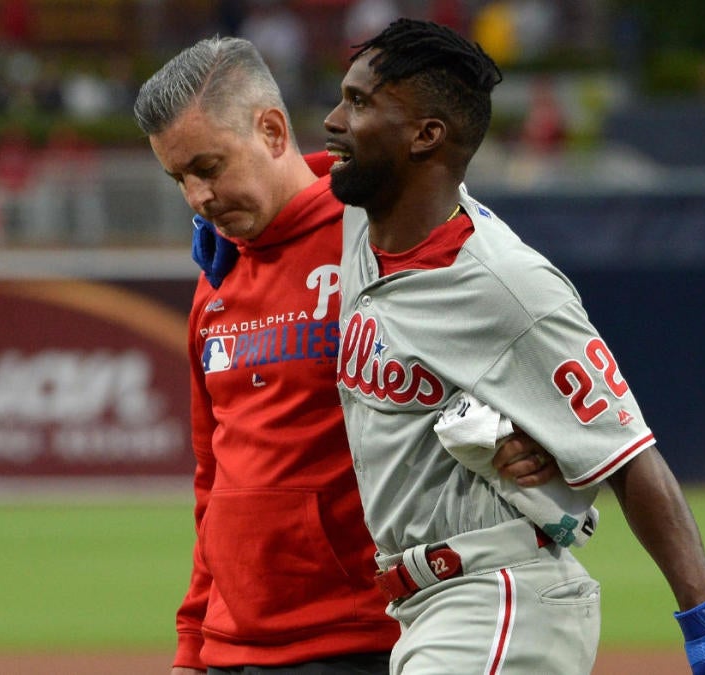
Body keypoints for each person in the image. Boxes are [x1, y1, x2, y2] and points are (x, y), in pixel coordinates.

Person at [322, 18, 705, 675]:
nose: (333, 120)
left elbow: (628, 450)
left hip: (500, 599)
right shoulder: (361, 217)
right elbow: (287, 175)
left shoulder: (509, 284)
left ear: (425, 134)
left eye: (358, 102)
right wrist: (237, 223)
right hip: (427, 608)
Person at [133, 36, 559, 675]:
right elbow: (212, 478)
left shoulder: (383, 229)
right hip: (233, 645)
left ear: (272, 130)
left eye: (208, 167)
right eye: (180, 179)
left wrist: (534, 435)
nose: (196, 197)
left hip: (358, 635)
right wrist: (194, 645)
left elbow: (524, 348)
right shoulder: (215, 276)